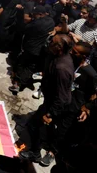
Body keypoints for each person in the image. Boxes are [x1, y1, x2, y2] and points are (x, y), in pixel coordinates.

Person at [20, 34, 74, 166]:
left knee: (37, 126)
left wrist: (50, 114)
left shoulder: (61, 68)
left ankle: (35, 154)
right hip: (50, 100)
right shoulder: (57, 57)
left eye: (52, 42)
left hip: (55, 104)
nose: (49, 43)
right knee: (36, 124)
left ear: (59, 47)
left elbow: (61, 97)